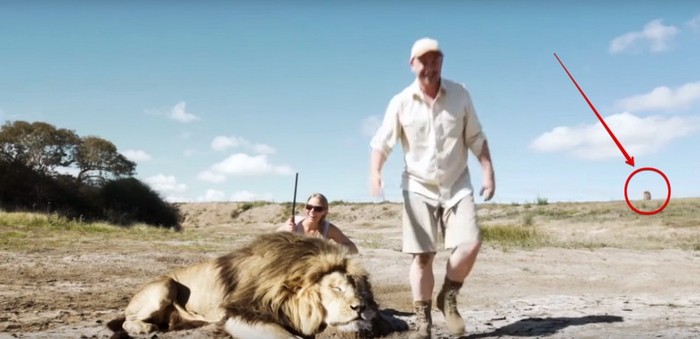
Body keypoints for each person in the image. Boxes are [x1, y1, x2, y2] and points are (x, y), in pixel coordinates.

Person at [369, 37, 495, 338]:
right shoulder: (400, 102)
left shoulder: (460, 93)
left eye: (435, 59)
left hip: (457, 184)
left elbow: (476, 137)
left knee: (470, 244)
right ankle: (422, 319)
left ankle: (448, 297)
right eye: (423, 60)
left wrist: (488, 171)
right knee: (423, 255)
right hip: (418, 186)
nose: (430, 65)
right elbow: (381, 142)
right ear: (412, 65)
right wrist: (375, 172)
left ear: (442, 61)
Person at [277, 193, 359, 254]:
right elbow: (272, 242)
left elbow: (353, 249)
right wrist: (285, 234)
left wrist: (329, 248)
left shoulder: (329, 229)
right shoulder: (293, 222)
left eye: (318, 209)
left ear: (324, 211)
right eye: (309, 207)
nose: (312, 212)